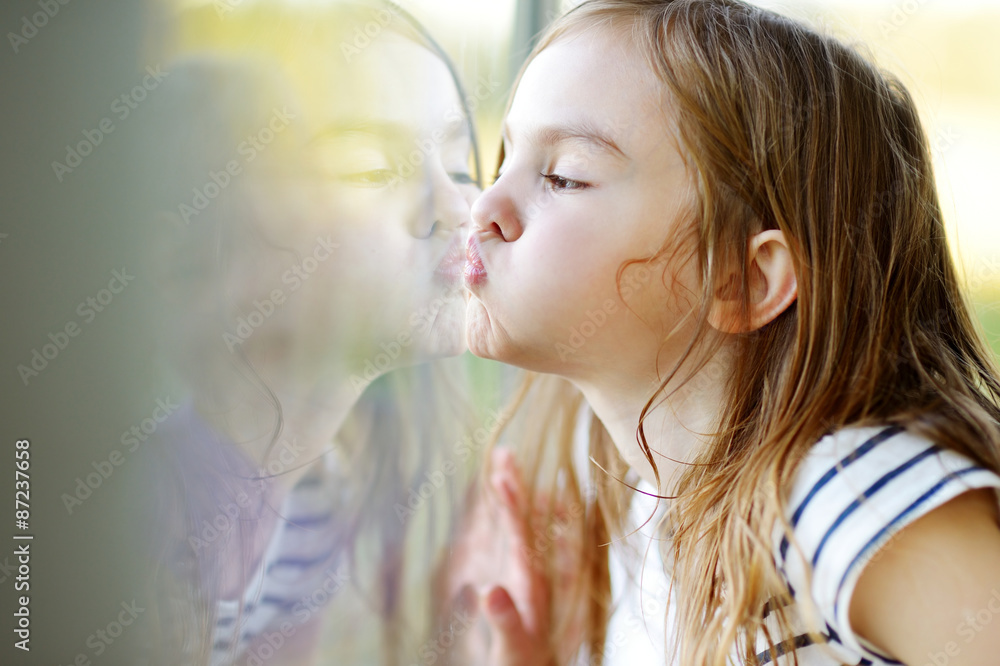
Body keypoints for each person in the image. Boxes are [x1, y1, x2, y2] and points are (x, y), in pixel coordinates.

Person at [454, 1, 1000, 664]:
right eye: (503, 161)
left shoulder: (847, 496)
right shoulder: (647, 505)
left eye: (564, 176)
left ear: (741, 280)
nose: (484, 207)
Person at [134, 2, 483, 663]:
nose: (458, 206)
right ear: (219, 240)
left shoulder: (329, 493)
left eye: (461, 168)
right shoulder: (140, 506)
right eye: (370, 169)